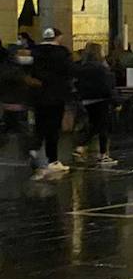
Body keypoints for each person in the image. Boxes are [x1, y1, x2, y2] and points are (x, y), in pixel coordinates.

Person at [30, 27, 73, 173]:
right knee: (53, 128)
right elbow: (69, 71)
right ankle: (52, 160)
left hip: (38, 95)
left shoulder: (34, 51)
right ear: (58, 37)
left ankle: (34, 148)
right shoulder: (62, 53)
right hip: (56, 95)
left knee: (40, 124)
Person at [72, 43, 116, 166]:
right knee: (102, 127)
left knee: (94, 125)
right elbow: (108, 85)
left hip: (86, 99)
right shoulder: (101, 68)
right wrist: (114, 100)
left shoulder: (81, 66)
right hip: (101, 99)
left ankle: (81, 146)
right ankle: (103, 154)